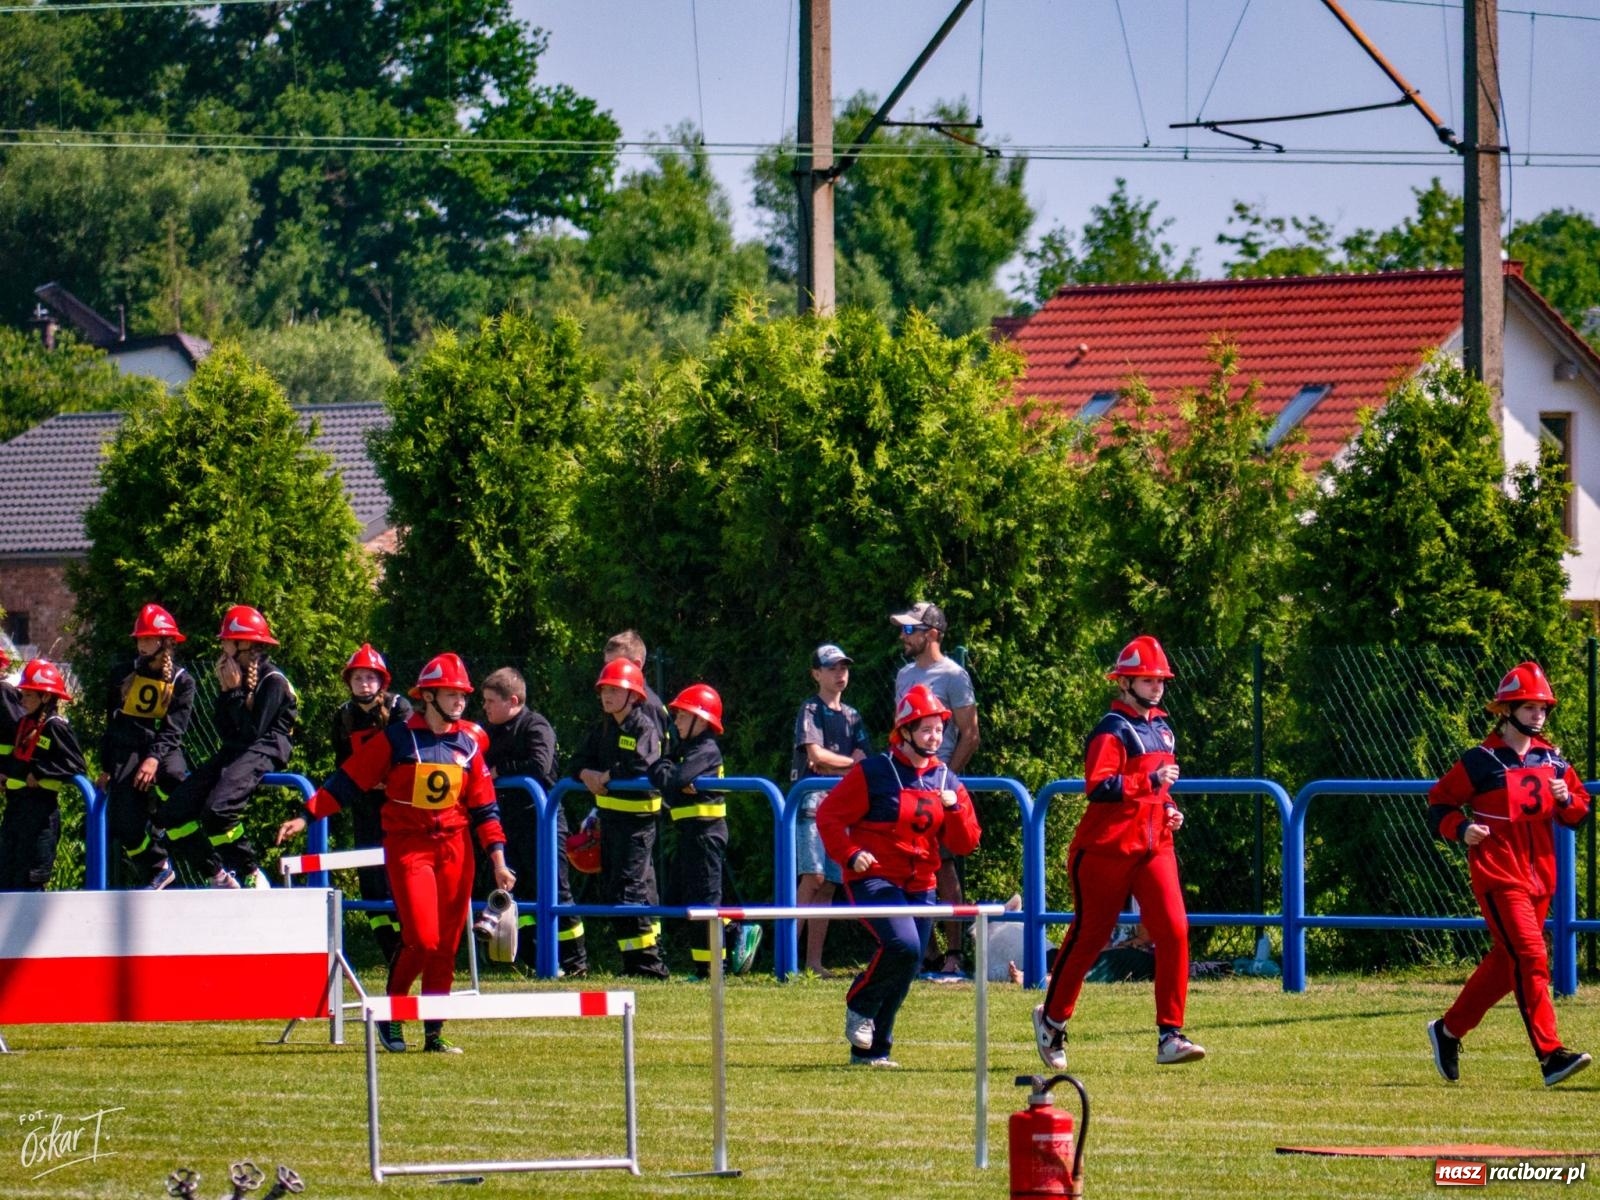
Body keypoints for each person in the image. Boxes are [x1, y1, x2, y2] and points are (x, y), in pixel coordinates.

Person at [277, 653, 515, 1054]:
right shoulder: (398, 739)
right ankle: (391, 1013)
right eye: (452, 693)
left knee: (446, 946)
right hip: (410, 847)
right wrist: (307, 815)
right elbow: (350, 779)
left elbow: (485, 809)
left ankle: (434, 1033)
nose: (460, 701)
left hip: (456, 850)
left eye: (463, 695)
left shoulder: (469, 746)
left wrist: (498, 860)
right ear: (428, 696)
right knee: (422, 939)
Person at [1032, 636, 1205, 1071]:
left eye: (1160, 678)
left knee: (1175, 931)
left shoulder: (1163, 728)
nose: (1157, 685)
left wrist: (1169, 809)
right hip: (1106, 849)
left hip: (1152, 847)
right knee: (1089, 938)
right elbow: (1099, 786)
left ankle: (1171, 1034)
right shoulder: (1112, 728)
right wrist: (1149, 786)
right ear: (1125, 682)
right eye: (1148, 679)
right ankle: (1052, 1020)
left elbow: (1159, 790)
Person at [1425, 661, 1592, 1087]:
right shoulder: (1480, 760)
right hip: (1499, 874)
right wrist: (1462, 829)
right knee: (1533, 957)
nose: (1539, 715)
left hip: (1541, 878)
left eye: (1544, 708)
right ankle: (1551, 1055)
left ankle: (1447, 1032)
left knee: (1508, 963)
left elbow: (1578, 812)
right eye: (1531, 707)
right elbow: (1440, 802)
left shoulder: (1552, 760)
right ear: (1507, 709)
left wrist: (1565, 798)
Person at [818, 683, 980, 1068]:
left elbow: (967, 841)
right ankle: (859, 1002)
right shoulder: (874, 772)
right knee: (905, 946)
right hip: (874, 878)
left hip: (921, 884)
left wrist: (955, 808)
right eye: (926, 729)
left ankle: (873, 1051)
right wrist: (850, 853)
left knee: (908, 967)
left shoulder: (945, 780)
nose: (935, 736)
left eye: (939, 729)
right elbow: (829, 817)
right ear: (904, 732)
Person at [150, 605, 297, 889]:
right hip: (236, 750)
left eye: (227, 641)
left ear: (244, 645)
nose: (222, 646)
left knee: (217, 812)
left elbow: (253, 734)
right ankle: (218, 876)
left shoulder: (273, 681)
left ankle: (252, 872)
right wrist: (230, 692)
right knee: (172, 813)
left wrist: (234, 692)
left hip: (263, 750)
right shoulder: (235, 677)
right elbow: (228, 731)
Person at [479, 666, 587, 976]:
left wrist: (500, 771)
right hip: (508, 823)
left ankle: (575, 963)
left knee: (556, 892)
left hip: (542, 823)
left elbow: (540, 766)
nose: (484, 707)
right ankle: (530, 958)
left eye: (490, 701)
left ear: (512, 700)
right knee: (518, 893)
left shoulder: (535, 725)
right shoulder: (489, 731)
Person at [891, 601, 980, 978]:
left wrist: (944, 779)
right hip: (906, 784)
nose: (903, 636)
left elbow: (970, 735)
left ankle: (955, 953)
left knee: (943, 866)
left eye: (910, 630)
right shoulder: (903, 676)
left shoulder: (954, 676)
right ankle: (923, 953)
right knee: (907, 864)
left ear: (932, 634)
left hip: (937, 787)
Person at [650, 683, 760, 977]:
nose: (676, 721)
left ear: (702, 719)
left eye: (683, 716)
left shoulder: (707, 750)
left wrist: (671, 778)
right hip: (690, 833)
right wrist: (671, 778)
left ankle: (712, 968)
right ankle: (730, 937)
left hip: (707, 834)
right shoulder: (684, 749)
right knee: (688, 900)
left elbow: (674, 779)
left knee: (705, 902)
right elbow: (662, 774)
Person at [569, 657, 669, 979]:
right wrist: (586, 773)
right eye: (604, 690)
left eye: (615, 690)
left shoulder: (643, 727)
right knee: (616, 891)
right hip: (610, 821)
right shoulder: (603, 728)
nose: (607, 696)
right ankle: (635, 964)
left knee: (630, 891)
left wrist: (607, 776)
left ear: (633, 695)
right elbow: (575, 761)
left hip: (638, 824)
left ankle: (650, 967)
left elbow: (643, 765)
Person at [97, 605, 196, 889]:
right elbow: (112, 724)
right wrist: (106, 766)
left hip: (162, 751)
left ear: (165, 642)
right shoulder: (120, 674)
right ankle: (159, 868)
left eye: (148, 639)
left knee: (174, 778)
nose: (141, 645)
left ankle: (166, 824)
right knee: (123, 823)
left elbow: (173, 729)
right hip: (127, 751)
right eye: (139, 639)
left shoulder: (182, 681)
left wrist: (153, 759)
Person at [791, 643, 871, 976]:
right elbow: (815, 756)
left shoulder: (853, 715)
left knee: (828, 886)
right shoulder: (809, 709)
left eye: (844, 668)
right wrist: (846, 764)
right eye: (832, 668)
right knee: (812, 878)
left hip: (842, 807)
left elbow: (863, 762)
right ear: (816, 674)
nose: (840, 674)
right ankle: (785, 958)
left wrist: (836, 765)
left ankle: (812, 963)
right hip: (811, 802)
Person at [332, 643, 413, 964]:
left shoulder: (399, 709)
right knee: (371, 883)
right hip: (365, 807)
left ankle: (412, 946)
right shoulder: (343, 715)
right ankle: (391, 951)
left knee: (400, 879)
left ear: (382, 681)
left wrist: (387, 779)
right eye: (358, 677)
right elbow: (342, 762)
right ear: (349, 682)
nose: (364, 683)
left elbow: (410, 754)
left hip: (401, 808)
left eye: (370, 677)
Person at [0, 660, 85, 890]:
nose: (22, 700)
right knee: (6, 874)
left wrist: (40, 771)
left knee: (30, 881)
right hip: (16, 808)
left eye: (28, 695)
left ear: (45, 697)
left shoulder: (55, 726)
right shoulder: (25, 724)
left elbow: (76, 764)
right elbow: (20, 759)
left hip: (40, 814)